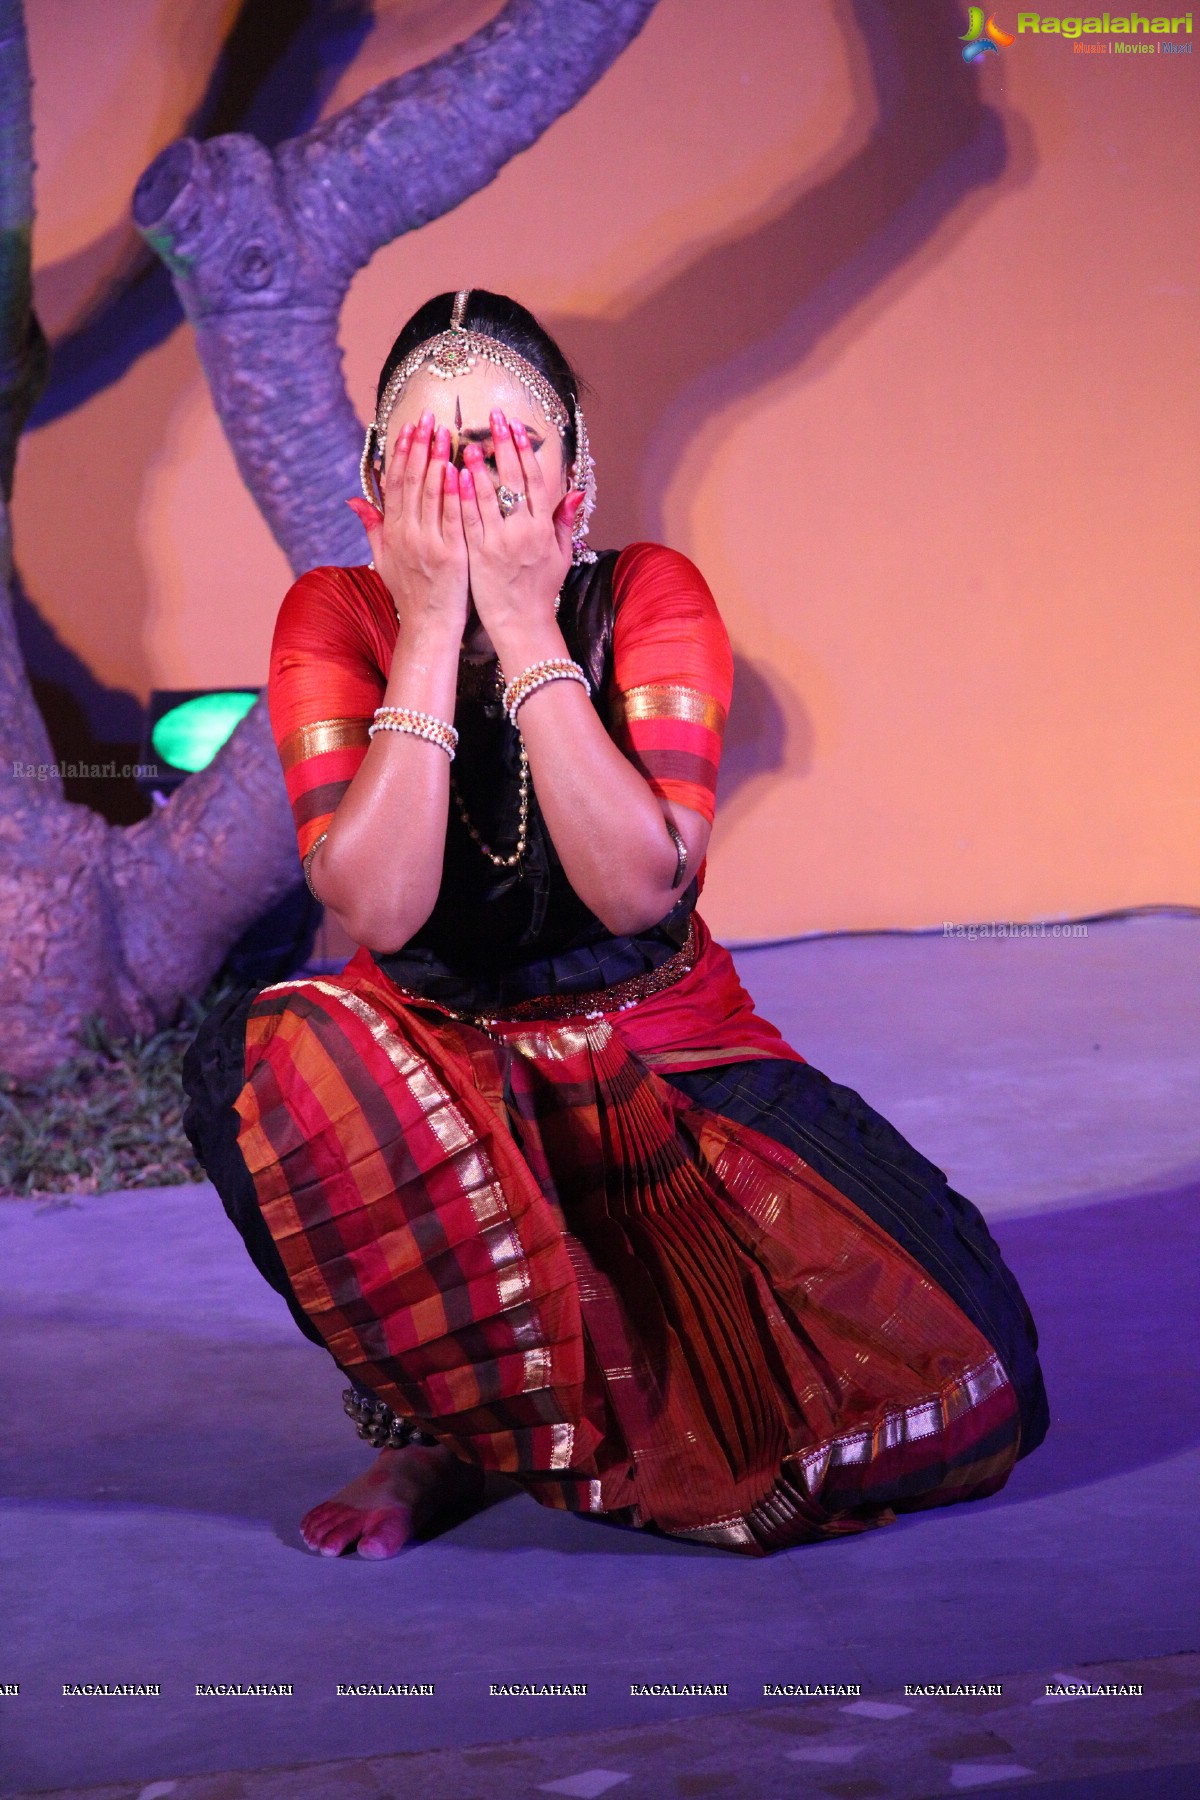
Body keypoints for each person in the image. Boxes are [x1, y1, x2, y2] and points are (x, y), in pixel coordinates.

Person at [183, 288, 1049, 1561]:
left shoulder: (650, 593)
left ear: (574, 494)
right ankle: (444, 1439)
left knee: (967, 1368)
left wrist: (526, 628)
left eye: (504, 460)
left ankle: (581, 1416)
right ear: (376, 501)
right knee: (273, 1066)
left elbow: (644, 890)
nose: (471, 498)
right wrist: (430, 628)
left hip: (664, 1063)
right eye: (436, 465)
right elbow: (378, 903)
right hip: (443, 1092)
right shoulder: (339, 614)